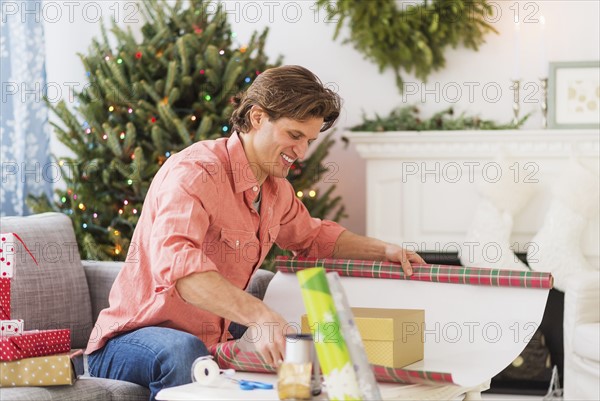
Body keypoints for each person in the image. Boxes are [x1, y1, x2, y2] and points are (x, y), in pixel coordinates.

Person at [85, 65, 425, 400]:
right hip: (128, 342)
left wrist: (384, 251)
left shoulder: (276, 190)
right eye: (294, 136)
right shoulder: (196, 172)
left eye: (309, 140)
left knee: (298, 342)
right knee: (181, 349)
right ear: (258, 117)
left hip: (209, 340)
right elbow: (181, 271)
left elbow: (313, 238)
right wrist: (260, 316)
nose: (302, 152)